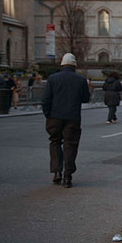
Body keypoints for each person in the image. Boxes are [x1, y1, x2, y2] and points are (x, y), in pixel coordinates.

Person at [42, 53, 90, 188]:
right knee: (70, 144)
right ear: (74, 65)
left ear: (62, 64)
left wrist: (48, 114)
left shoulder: (52, 78)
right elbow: (86, 98)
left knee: (54, 141)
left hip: (54, 116)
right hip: (73, 117)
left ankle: (57, 172)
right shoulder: (81, 79)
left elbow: (46, 99)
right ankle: (68, 176)